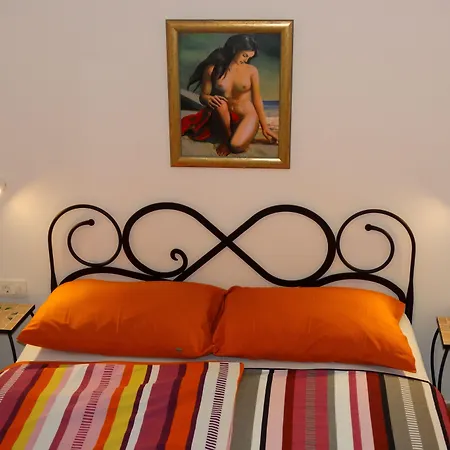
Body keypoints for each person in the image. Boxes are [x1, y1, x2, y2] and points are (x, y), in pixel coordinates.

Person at [181, 34, 279, 156]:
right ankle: (226, 138)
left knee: (236, 146)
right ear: (234, 50)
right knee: (221, 103)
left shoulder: (251, 71)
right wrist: (208, 98)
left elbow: (257, 100)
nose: (246, 60)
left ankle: (233, 140)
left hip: (246, 115)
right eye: (244, 55)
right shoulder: (212, 70)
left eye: (249, 57)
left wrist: (265, 127)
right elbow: (203, 95)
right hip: (222, 118)